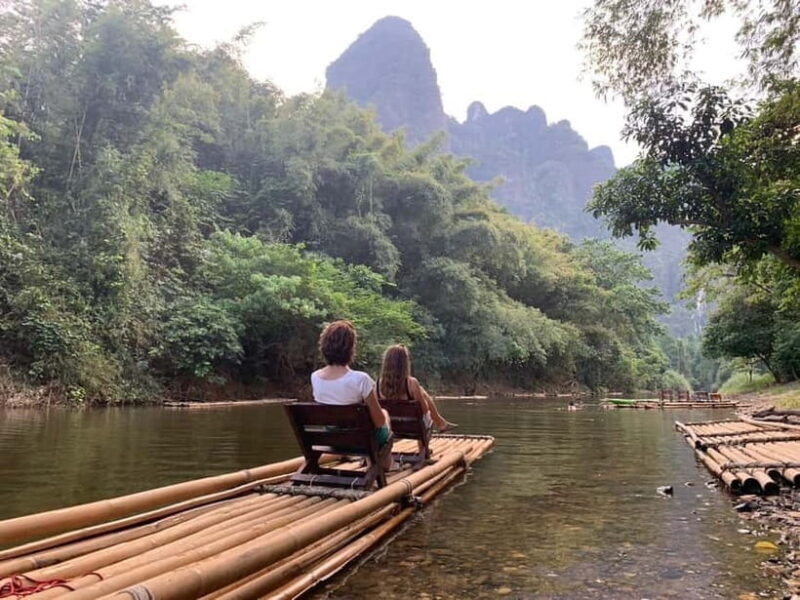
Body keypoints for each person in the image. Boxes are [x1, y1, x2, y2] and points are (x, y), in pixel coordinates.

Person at [311, 320, 394, 468]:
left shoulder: (315, 377)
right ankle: (386, 464)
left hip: (331, 440)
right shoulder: (361, 379)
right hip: (361, 442)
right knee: (384, 414)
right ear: (351, 349)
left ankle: (349, 456)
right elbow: (379, 422)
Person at [378, 345, 457, 433]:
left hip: (391, 426)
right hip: (412, 426)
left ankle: (441, 423)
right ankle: (428, 439)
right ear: (405, 363)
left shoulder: (377, 385)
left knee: (421, 390)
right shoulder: (411, 383)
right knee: (421, 405)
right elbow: (424, 409)